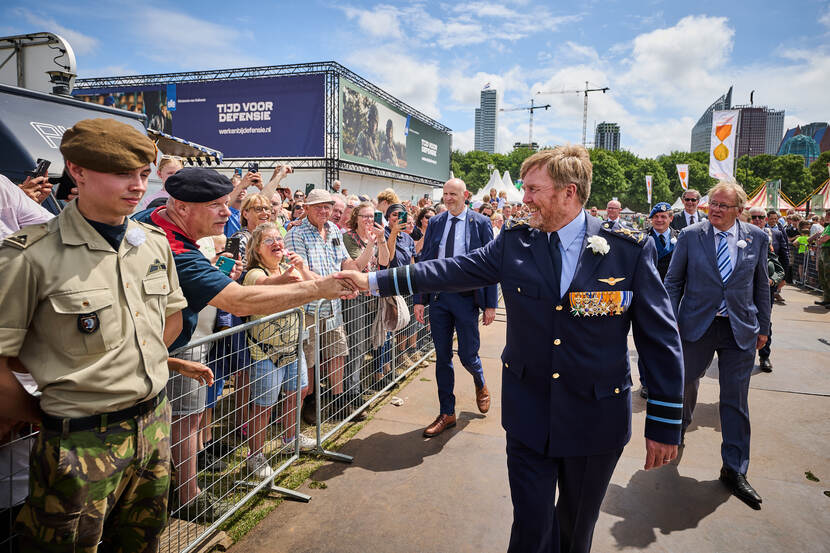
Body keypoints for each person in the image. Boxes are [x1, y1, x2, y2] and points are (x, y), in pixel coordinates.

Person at [336, 145, 684, 553]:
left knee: (575, 530)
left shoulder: (627, 250)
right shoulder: (514, 244)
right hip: (529, 414)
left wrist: (663, 423)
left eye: (534, 189)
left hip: (595, 420)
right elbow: (450, 270)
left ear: (568, 192)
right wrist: (375, 281)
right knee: (530, 529)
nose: (525, 198)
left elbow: (660, 340)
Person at [0, 118, 192, 551]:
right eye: (122, 172)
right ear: (78, 171)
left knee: (141, 542)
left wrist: (129, 366)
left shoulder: (155, 243)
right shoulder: (30, 256)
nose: (138, 185)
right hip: (78, 442)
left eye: (144, 174)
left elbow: (172, 320)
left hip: (154, 425)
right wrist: (55, 415)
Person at [133, 169, 354, 520]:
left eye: (226, 203)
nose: (227, 212)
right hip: (153, 358)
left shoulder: (152, 223)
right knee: (185, 420)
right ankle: (187, 497)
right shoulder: (172, 245)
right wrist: (318, 289)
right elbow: (239, 301)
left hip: (166, 353)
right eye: (216, 205)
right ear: (180, 206)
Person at [665, 181, 770, 510]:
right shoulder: (691, 235)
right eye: (713, 203)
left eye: (724, 206)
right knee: (684, 382)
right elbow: (673, 281)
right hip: (696, 324)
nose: (715, 209)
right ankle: (677, 430)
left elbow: (761, 286)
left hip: (740, 328)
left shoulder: (758, 237)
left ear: (739, 210)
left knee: (735, 400)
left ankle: (735, 469)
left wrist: (764, 328)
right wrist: (670, 321)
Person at [408, 178, 498, 438]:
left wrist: (490, 303)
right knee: (442, 356)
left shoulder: (481, 223)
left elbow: (490, 264)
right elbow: (426, 261)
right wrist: (419, 300)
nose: (447, 199)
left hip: (467, 299)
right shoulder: (436, 222)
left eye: (453, 194)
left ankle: (479, 381)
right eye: (445, 194)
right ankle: (446, 412)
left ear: (465, 194)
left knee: (468, 355)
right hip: (439, 299)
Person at [285, 189, 375, 419]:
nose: (324, 211)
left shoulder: (333, 230)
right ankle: (311, 405)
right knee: (310, 357)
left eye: (327, 206)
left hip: (333, 306)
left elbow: (345, 261)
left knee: (337, 352)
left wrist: (355, 281)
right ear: (305, 209)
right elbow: (302, 272)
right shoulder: (296, 234)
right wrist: (342, 287)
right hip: (308, 308)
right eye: (318, 207)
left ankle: (339, 401)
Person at [242, 223, 318, 475]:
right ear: (257, 250)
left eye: (279, 239)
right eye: (269, 241)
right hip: (266, 353)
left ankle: (289, 439)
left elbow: (315, 289)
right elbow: (267, 283)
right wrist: (287, 278)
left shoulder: (288, 268)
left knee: (299, 391)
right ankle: (256, 455)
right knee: (263, 405)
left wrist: (303, 268)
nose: (277, 243)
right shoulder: (254, 272)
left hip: (293, 348)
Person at [342, 202, 390, 396]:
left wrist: (382, 240)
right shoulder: (349, 238)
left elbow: (384, 262)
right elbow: (358, 267)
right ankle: (351, 389)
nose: (369, 220)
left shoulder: (374, 237)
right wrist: (371, 243)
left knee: (368, 343)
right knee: (357, 342)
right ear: (356, 218)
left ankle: (356, 383)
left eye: (372, 216)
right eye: (365, 216)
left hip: (372, 295)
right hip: (355, 296)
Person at [749, 207, 785, 372]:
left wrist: (776, 281)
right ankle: (744, 356)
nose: (757, 220)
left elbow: (781, 261)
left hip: (766, 290)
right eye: (753, 217)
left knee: (765, 322)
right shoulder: (741, 235)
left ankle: (764, 356)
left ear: (766, 219)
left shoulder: (775, 235)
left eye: (760, 217)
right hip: (746, 289)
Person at [231, 193, 273, 264]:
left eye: (267, 209)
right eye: (258, 209)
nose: (264, 213)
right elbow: (228, 270)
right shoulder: (237, 239)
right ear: (245, 214)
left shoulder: (273, 238)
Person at [647, 202, 678, 280]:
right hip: (649, 284)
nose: (659, 220)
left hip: (672, 286)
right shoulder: (642, 237)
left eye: (663, 216)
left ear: (671, 218)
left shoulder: (680, 237)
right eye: (656, 216)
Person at [765, 209, 789, 302]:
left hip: (775, 263)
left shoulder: (780, 230)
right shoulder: (762, 228)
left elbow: (784, 250)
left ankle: (776, 293)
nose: (774, 221)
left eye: (776, 219)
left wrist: (784, 276)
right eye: (772, 219)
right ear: (767, 219)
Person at [815, 213, 830, 308]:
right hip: (824, 251)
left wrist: (820, 239)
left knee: (828, 276)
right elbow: (820, 239)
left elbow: (825, 238)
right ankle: (826, 298)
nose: (826, 217)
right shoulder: (827, 227)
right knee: (823, 276)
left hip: (828, 251)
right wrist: (820, 239)